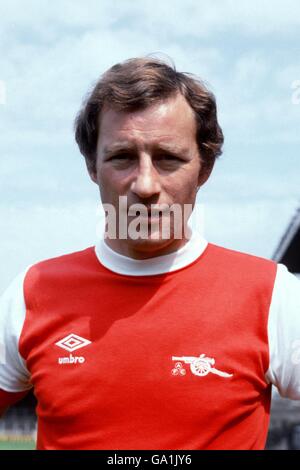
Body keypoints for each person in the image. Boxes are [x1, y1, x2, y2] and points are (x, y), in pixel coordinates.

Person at [0, 56, 299, 450]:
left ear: (204, 169)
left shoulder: (269, 293)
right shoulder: (32, 291)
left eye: (168, 159)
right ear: (92, 166)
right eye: (122, 157)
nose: (144, 184)